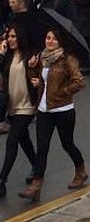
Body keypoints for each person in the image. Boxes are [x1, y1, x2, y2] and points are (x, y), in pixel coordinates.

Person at [20, 29, 87, 202]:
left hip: (63, 110)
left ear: (60, 42)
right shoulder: (43, 58)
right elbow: (39, 82)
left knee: (67, 144)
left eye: (54, 39)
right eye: (48, 38)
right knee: (42, 148)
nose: (49, 41)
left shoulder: (67, 60)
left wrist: (62, 92)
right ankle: (36, 185)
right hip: (44, 110)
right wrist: (32, 68)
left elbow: (79, 82)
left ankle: (81, 171)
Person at [0, 25, 39, 198]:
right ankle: (38, 169)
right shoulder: (7, 57)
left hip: (27, 107)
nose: (10, 39)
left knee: (12, 140)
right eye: (9, 37)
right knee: (25, 141)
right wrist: (1, 54)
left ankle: (2, 180)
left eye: (14, 36)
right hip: (12, 106)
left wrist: (34, 69)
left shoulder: (30, 55)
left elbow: (39, 74)